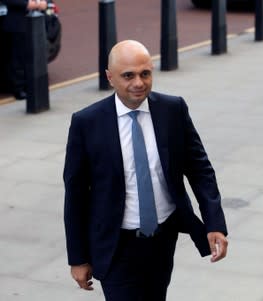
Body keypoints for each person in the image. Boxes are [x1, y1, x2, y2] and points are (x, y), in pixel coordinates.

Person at [63, 40, 228, 301]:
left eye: (145, 73)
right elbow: (75, 195)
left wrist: (215, 223)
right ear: (110, 78)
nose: (139, 83)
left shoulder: (173, 109)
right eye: (128, 75)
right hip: (116, 245)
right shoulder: (86, 123)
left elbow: (200, 169)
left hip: (163, 239)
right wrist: (78, 258)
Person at [2, 0, 47, 99]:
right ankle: (19, 88)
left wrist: (42, 3)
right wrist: (30, 4)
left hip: (35, 20)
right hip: (16, 23)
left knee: (32, 57)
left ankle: (30, 85)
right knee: (18, 58)